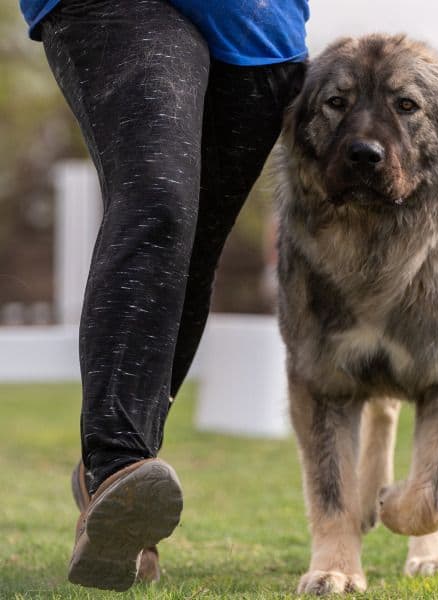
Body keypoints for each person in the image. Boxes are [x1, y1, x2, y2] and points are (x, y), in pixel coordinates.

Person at [19, 0, 308, 591]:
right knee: (158, 203)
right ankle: (118, 462)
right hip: (123, 8)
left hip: (261, 30)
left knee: (192, 255)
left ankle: (116, 481)